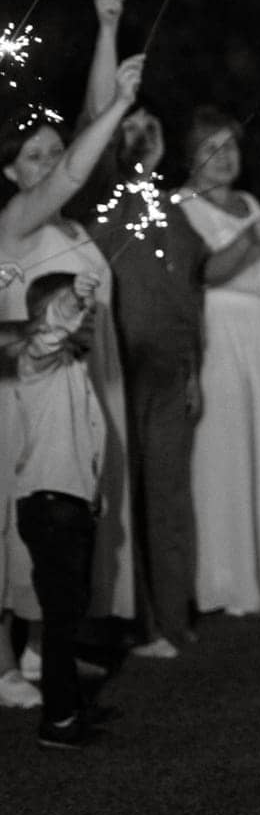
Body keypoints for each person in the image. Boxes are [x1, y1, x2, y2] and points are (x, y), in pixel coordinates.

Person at [0, 53, 145, 689]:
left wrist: (110, 55)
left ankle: (39, 648)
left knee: (62, 524)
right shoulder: (16, 224)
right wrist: (118, 104)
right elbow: (72, 169)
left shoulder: (73, 228)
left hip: (77, 390)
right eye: (36, 156)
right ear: (10, 170)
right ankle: (4, 664)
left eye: (55, 151)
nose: (53, 163)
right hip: (23, 394)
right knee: (13, 519)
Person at [79, 0, 209, 657]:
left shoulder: (177, 209)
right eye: (129, 130)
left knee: (167, 497)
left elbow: (191, 296)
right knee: (114, 502)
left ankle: (169, 620)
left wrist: (193, 369)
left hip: (167, 372)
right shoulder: (100, 197)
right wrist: (109, 31)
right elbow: (94, 123)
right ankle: (115, 623)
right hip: (111, 370)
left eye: (148, 131)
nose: (139, 138)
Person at [179, 108, 260, 618]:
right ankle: (216, 580)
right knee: (222, 452)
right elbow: (207, 274)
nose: (224, 158)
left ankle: (253, 574)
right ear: (191, 156)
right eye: (212, 148)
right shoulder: (183, 206)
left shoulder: (248, 201)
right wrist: (248, 238)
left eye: (231, 148)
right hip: (220, 334)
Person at [6, 270, 108, 747]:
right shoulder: (35, 361)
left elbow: (85, 438)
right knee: (61, 614)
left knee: (68, 610)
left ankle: (66, 704)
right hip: (48, 505)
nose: (82, 314)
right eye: (70, 307)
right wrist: (74, 297)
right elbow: (47, 334)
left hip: (67, 502)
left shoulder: (69, 363)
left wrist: (92, 494)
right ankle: (60, 718)